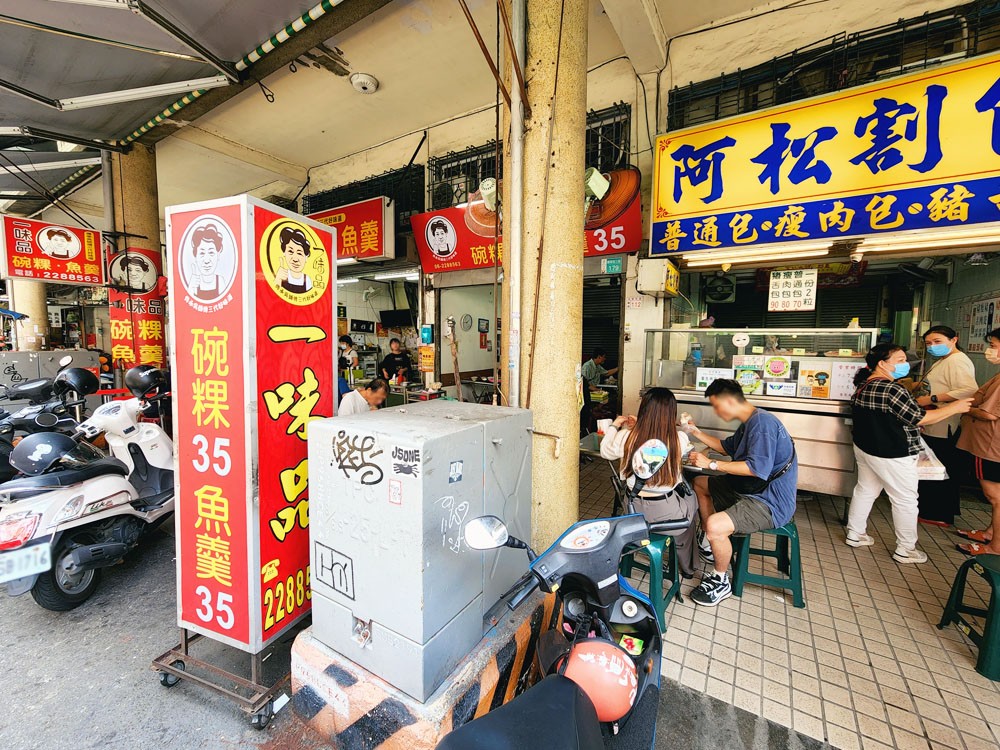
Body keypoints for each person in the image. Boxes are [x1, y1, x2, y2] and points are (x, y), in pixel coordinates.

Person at [845, 344, 972, 563]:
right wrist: (955, 408)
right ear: (883, 364)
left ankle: (855, 534)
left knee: (865, 490)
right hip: (892, 453)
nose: (905, 365)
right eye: (900, 360)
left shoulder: (864, 385)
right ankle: (906, 549)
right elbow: (918, 418)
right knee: (905, 500)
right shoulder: (891, 389)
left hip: (866, 448)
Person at [684, 379, 798, 607]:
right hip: (749, 490)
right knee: (700, 483)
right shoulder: (751, 421)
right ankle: (710, 541)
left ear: (729, 400)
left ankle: (720, 580)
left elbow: (756, 469)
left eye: (717, 405)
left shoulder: (762, 425)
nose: (716, 411)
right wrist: (694, 432)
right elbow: (726, 447)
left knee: (716, 524)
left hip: (769, 502)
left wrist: (711, 464)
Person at [599, 388, 698, 577]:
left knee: (688, 509)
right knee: (693, 505)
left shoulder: (627, 436)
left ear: (643, 410)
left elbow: (605, 451)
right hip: (667, 513)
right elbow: (680, 434)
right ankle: (687, 568)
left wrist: (616, 425)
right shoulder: (679, 439)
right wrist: (684, 425)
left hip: (633, 512)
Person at [914, 326, 978, 526]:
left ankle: (937, 513)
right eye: (929, 343)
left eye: (938, 341)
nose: (933, 346)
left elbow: (969, 390)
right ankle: (933, 510)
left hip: (944, 423)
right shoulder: (945, 360)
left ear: (954, 339)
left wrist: (931, 398)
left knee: (938, 467)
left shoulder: (957, 361)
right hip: (935, 420)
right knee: (932, 466)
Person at [956, 329, 1000, 555]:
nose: (990, 351)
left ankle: (995, 547)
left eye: (993, 345)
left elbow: (990, 413)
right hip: (991, 443)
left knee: (994, 496)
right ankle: (991, 533)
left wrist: (962, 408)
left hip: (991, 445)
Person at [189, 224, 227, 301]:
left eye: (211, 253)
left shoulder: (220, 281)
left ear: (218, 254)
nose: (206, 260)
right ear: (195, 256)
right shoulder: (194, 283)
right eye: (202, 253)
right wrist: (191, 287)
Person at [276, 226, 313, 294]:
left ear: (306, 257)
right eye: (290, 251)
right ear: (284, 253)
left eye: (299, 253)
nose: (295, 259)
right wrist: (278, 279)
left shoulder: (307, 280)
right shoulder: (281, 276)